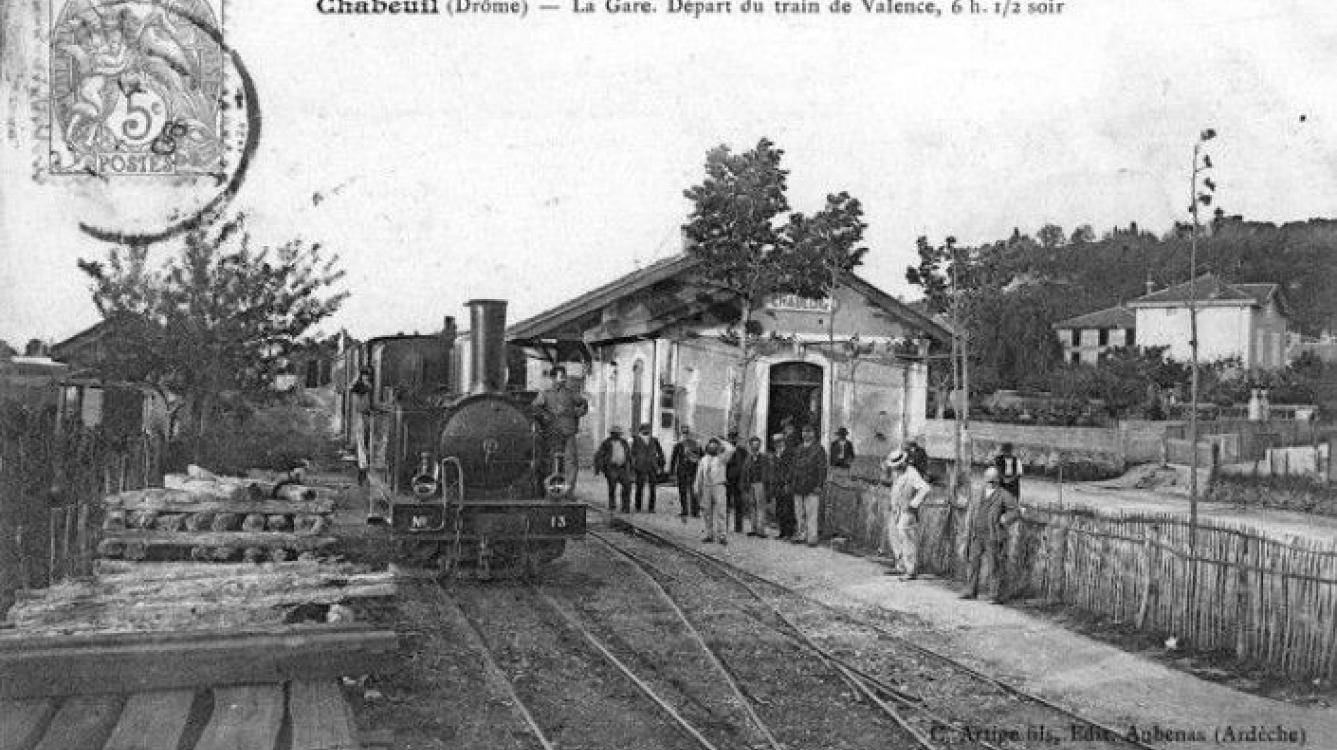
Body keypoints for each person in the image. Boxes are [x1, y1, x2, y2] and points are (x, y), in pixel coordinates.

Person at [957, 467, 1021, 603]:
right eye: (988, 480)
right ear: (984, 479)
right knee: (973, 562)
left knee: (994, 565)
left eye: (993, 480)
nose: (990, 483)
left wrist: (1005, 518)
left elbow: (1016, 511)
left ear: (998, 480)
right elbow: (971, 510)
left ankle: (994, 595)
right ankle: (970, 590)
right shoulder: (978, 493)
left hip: (993, 535)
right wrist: (968, 529)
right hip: (976, 533)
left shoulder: (1004, 495)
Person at [532, 365, 589, 491]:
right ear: (553, 378)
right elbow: (535, 408)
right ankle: (551, 490)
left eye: (564, 377)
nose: (563, 379)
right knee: (551, 461)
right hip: (552, 432)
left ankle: (568, 492)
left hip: (569, 432)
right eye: (561, 376)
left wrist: (577, 413)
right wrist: (545, 416)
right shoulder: (545, 394)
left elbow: (584, 404)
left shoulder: (571, 394)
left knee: (571, 462)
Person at [880, 450, 931, 579]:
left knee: (906, 538)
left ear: (903, 463)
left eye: (897, 465)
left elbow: (925, 488)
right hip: (896, 509)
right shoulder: (897, 473)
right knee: (894, 536)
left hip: (907, 511)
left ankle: (910, 570)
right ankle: (900, 565)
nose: (895, 468)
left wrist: (914, 504)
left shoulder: (912, 473)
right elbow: (891, 486)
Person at [789, 425, 828, 547]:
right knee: (799, 513)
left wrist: (819, 485)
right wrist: (791, 482)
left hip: (812, 486)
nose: (806, 434)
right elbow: (793, 467)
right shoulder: (798, 449)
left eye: (809, 431)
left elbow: (822, 469)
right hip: (798, 486)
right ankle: (801, 535)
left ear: (814, 434)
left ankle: (812, 538)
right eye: (804, 431)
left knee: (812, 513)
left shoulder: (819, 449)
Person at [693, 436, 735, 545]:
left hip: (719, 486)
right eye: (710, 445)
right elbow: (699, 475)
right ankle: (708, 534)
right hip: (706, 487)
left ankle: (722, 535)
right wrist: (697, 487)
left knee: (721, 511)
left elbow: (731, 449)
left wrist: (720, 441)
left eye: (715, 445)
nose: (712, 447)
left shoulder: (722, 458)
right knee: (707, 512)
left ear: (718, 447)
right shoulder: (703, 459)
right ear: (707, 447)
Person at [593, 426, 633, 512]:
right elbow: (598, 455)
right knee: (612, 487)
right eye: (615, 434)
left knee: (627, 486)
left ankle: (625, 507)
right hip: (611, 468)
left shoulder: (624, 442)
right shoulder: (606, 443)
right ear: (611, 434)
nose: (617, 435)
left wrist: (631, 467)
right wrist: (599, 469)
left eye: (618, 434)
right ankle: (612, 505)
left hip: (623, 467)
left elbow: (629, 454)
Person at [741, 436, 773, 537]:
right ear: (750, 446)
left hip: (760, 484)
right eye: (753, 444)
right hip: (750, 485)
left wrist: (767, 485)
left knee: (761, 507)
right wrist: (744, 485)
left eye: (757, 444)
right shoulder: (748, 459)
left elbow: (768, 472)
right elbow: (744, 472)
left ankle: (761, 530)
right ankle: (753, 528)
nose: (755, 446)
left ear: (759, 446)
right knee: (752, 507)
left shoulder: (764, 458)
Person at [630, 423, 665, 513]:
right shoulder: (636, 440)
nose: (646, 431)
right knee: (639, 487)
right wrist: (633, 465)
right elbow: (632, 454)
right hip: (640, 467)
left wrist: (661, 465)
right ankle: (638, 507)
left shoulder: (654, 440)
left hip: (652, 466)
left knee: (653, 488)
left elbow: (660, 453)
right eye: (644, 429)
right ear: (640, 431)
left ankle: (651, 508)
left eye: (648, 429)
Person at [669, 426, 703, 517]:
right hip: (682, 471)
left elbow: (702, 457)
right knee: (683, 491)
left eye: (686, 434)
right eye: (684, 434)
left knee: (693, 491)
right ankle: (685, 511)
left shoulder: (696, 445)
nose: (685, 436)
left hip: (693, 471)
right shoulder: (679, 445)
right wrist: (672, 472)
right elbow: (674, 458)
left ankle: (695, 512)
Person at [348, 366, 373, 486]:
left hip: (364, 415)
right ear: (362, 375)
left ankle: (363, 470)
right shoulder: (360, 387)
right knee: (362, 442)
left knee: (364, 442)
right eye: (365, 374)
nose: (367, 377)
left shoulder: (364, 385)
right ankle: (362, 471)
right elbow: (360, 404)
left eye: (368, 375)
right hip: (361, 415)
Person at [771, 433, 797, 540]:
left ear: (783, 441)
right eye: (776, 442)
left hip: (787, 484)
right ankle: (782, 532)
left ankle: (789, 533)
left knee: (788, 509)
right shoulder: (776, 454)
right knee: (780, 508)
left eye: (780, 441)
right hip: (778, 484)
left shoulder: (789, 453)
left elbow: (791, 469)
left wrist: (787, 482)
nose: (778, 443)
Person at [726, 429, 748, 533]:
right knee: (725, 504)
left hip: (739, 481)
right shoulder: (724, 451)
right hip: (727, 481)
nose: (733, 439)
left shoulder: (742, 451)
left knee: (739, 504)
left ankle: (738, 527)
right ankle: (724, 526)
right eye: (731, 437)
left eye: (734, 437)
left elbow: (747, 465)